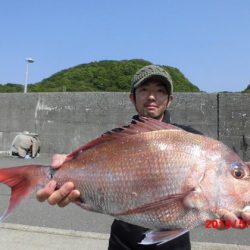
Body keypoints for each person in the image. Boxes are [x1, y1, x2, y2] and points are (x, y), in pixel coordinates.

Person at [36, 65, 250, 249]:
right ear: (132, 97)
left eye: (160, 91)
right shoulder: (113, 140)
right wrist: (65, 167)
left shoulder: (194, 139)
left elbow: (207, 204)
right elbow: (84, 162)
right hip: (122, 244)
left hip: (175, 247)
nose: (151, 96)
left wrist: (221, 211)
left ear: (169, 99)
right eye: (144, 89)